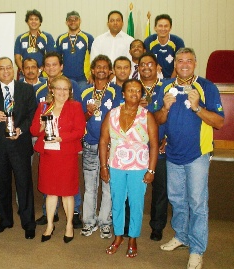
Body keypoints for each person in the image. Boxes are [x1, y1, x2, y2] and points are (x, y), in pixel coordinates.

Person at [155, 48, 224, 269]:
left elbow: (219, 122)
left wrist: (197, 108)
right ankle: (182, 236)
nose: (184, 64)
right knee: (177, 200)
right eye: (180, 61)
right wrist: (165, 108)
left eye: (189, 61)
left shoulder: (206, 87)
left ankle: (197, 249)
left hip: (198, 155)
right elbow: (157, 119)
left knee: (197, 203)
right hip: (173, 154)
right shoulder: (166, 87)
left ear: (195, 63)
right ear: (175, 64)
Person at [99, 79, 158, 258]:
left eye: (138, 91)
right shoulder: (112, 114)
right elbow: (103, 141)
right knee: (117, 202)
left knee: (136, 204)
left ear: (142, 94)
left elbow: (154, 145)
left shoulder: (147, 116)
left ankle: (132, 238)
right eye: (130, 90)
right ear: (123, 94)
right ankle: (118, 237)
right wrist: (103, 167)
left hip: (139, 167)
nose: (134, 93)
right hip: (116, 165)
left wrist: (151, 170)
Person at [0, 57, 37, 240]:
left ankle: (28, 223)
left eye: (8, 68)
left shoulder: (26, 89)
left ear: (14, 70)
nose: (5, 71)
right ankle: (5, 220)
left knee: (24, 185)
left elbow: (32, 115)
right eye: (1, 69)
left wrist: (22, 129)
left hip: (20, 143)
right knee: (2, 186)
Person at [30, 75, 85, 243]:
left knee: (68, 192)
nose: (62, 92)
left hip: (67, 154)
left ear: (70, 91)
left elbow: (79, 131)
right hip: (49, 156)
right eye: (58, 88)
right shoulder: (43, 106)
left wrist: (61, 137)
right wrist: (40, 125)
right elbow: (33, 131)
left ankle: (69, 225)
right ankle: (49, 225)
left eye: (65, 89)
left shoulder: (75, 106)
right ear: (52, 91)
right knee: (51, 191)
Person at [80, 55, 122, 238]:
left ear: (110, 71)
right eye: (98, 67)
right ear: (93, 70)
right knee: (90, 187)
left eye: (105, 67)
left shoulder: (117, 92)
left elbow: (121, 118)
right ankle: (88, 221)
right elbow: (79, 120)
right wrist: (88, 114)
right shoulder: (84, 92)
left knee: (107, 186)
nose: (102, 70)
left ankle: (105, 221)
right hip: (90, 144)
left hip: (110, 147)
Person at [138, 52, 168, 241]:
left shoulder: (167, 88)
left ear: (157, 67)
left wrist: (170, 138)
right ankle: (129, 223)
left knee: (160, 190)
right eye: (142, 64)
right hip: (136, 148)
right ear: (138, 68)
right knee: (133, 188)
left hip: (161, 147)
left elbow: (175, 116)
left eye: (150, 64)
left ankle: (157, 226)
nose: (146, 67)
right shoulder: (132, 88)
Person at [55, 11, 94, 89]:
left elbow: (94, 58)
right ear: (66, 22)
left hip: (83, 79)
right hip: (65, 78)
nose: (73, 22)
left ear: (80, 21)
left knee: (81, 100)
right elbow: (57, 59)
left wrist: (92, 75)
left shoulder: (88, 38)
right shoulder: (61, 38)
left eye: (76, 19)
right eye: (70, 20)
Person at [14, 9, 55, 77]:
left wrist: (39, 70)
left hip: (42, 74)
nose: (33, 21)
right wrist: (24, 70)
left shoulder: (47, 37)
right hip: (25, 75)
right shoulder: (20, 38)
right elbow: (17, 58)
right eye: (31, 19)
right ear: (27, 22)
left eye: (36, 19)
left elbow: (51, 57)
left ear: (40, 22)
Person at [144, 14, 185, 79]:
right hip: (154, 79)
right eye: (160, 26)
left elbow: (180, 63)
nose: (163, 29)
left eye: (166, 26)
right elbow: (146, 61)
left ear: (170, 28)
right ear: (155, 28)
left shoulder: (178, 42)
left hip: (174, 79)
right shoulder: (149, 41)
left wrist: (171, 82)